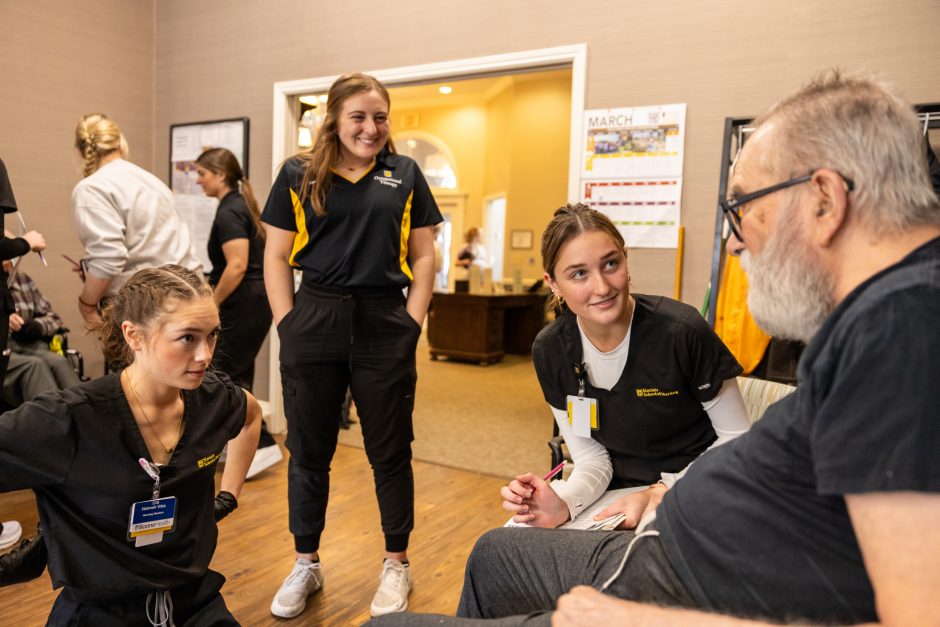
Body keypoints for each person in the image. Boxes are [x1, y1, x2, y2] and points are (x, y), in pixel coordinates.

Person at [370, 70, 940, 626]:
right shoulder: (879, 319)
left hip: (680, 578)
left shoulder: (901, 329)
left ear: (823, 200)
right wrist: (587, 501)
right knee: (496, 554)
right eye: (577, 275)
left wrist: (636, 597)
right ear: (555, 285)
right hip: (674, 538)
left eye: (744, 208)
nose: (736, 241)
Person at [262, 72, 441, 619]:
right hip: (313, 315)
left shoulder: (404, 173)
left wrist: (410, 322)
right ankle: (306, 562)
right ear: (334, 120)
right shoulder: (297, 173)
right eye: (359, 117)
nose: (370, 127)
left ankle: (396, 564)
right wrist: (287, 323)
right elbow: (275, 255)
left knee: (390, 452)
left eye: (380, 116)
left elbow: (425, 253)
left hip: (384, 319)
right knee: (309, 453)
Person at [0, 264, 261, 624]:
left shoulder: (214, 398)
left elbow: (251, 417)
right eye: (188, 337)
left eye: (212, 335)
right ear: (133, 336)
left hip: (192, 600)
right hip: (99, 612)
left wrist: (228, 497)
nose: (205, 355)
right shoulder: (70, 419)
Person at [500, 204, 750, 531]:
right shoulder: (551, 351)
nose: (602, 287)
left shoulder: (682, 332)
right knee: (506, 547)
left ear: (625, 260)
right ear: (553, 283)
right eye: (579, 274)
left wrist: (663, 491)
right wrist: (563, 505)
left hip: (702, 483)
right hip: (615, 493)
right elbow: (592, 459)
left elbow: (738, 440)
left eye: (611, 264)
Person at [195, 147, 281, 479]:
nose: (199, 180)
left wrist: (210, 304)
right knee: (236, 372)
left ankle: (261, 444)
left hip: (242, 300)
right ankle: (248, 442)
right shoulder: (239, 205)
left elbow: (237, 265)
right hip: (254, 300)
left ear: (220, 174)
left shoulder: (230, 210)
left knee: (222, 373)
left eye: (202, 174)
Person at [72, 113, 202, 326]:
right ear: (121, 142)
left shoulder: (91, 188)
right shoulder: (151, 181)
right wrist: (91, 267)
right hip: (189, 293)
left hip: (148, 307)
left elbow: (108, 260)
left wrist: (86, 306)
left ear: (80, 151)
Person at [0, 158, 45, 554]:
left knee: (55, 362)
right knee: (37, 366)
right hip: (16, 353)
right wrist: (25, 243)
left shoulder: (23, 282)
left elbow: (49, 318)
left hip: (32, 346)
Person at [2, 254, 82, 407]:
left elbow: (54, 319)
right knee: (34, 366)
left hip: (27, 344)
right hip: (5, 352)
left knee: (58, 361)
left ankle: (84, 414)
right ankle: (53, 426)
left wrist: (35, 326)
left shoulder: (23, 279)